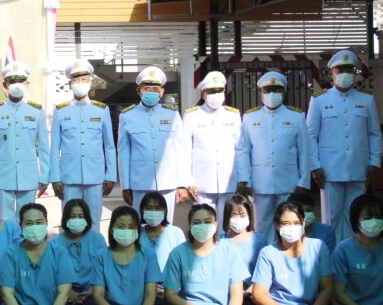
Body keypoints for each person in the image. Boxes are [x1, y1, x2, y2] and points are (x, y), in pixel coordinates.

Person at [244, 202, 341, 305]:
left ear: (304, 223)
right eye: (285, 223)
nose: (291, 227)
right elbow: (259, 295)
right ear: (277, 225)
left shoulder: (318, 247)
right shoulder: (268, 253)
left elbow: (327, 288)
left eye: (296, 223)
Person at [308, 50, 382, 244]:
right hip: (329, 170)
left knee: (355, 215)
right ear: (331, 73)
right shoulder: (319, 100)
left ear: (354, 72)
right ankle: (331, 256)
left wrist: (374, 161)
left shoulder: (366, 99)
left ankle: (350, 254)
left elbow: (374, 133)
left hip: (359, 168)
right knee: (331, 217)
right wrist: (314, 166)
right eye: (340, 70)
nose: (345, 74)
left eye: (349, 70)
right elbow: (310, 136)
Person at [155, 203, 248, 305]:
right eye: (197, 222)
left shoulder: (229, 250)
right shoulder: (178, 253)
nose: (202, 226)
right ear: (190, 225)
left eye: (207, 222)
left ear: (216, 224)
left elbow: (237, 293)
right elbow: (170, 295)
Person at [236, 71, 312, 240]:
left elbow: (305, 151)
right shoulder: (250, 117)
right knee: (262, 226)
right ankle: (264, 254)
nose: (272, 94)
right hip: (260, 183)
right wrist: (244, 180)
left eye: (276, 90)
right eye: (268, 90)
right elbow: (243, 151)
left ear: (284, 92)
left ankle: (286, 253)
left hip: (289, 183)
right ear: (261, 93)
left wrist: (304, 181)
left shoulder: (297, 116)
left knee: (288, 224)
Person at [77, 206, 160, 305]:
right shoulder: (102, 256)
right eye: (121, 226)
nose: (126, 231)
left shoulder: (147, 254)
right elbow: (98, 295)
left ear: (137, 230)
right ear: (112, 229)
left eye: (131, 227)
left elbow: (151, 294)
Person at [49, 59, 117, 226]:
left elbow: (109, 146)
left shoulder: (102, 110)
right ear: (69, 83)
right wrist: (55, 179)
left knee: (94, 222)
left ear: (90, 81)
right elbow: (54, 148)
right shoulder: (60, 110)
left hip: (95, 178)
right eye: (76, 79)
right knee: (70, 222)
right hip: (69, 178)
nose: (80, 83)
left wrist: (111, 176)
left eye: (84, 79)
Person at [0, 60, 50, 220]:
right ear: (5, 84)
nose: (16, 84)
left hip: (29, 176)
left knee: (28, 220)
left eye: (20, 80)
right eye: (12, 81)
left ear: (27, 83)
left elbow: (44, 147)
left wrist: (45, 175)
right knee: (4, 221)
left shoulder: (36, 111)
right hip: (3, 177)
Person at [117, 65, 189, 215]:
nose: (151, 92)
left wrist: (182, 184)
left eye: (155, 89)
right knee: (141, 223)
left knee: (166, 224)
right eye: (147, 89)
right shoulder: (127, 116)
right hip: (140, 184)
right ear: (139, 90)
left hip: (168, 183)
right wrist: (126, 186)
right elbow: (123, 153)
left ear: (162, 92)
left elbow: (181, 150)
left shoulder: (172, 114)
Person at [182, 70, 241, 219]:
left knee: (228, 224)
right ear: (203, 94)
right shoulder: (191, 116)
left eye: (219, 91)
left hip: (228, 181)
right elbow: (185, 151)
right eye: (211, 91)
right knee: (204, 222)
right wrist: (188, 181)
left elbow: (240, 149)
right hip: (201, 183)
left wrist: (242, 178)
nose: (216, 95)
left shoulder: (233, 115)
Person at [51, 200, 107, 305]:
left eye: (81, 216)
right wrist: (67, 292)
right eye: (72, 216)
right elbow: (50, 275)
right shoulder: (55, 243)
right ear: (65, 219)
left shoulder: (97, 239)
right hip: (64, 293)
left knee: (98, 302)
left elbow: (106, 269)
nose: (77, 220)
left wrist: (93, 291)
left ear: (87, 219)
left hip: (91, 292)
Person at [137, 191, 186, 305]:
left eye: (157, 208)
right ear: (142, 210)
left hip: (170, 293)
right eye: (149, 208)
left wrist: (170, 292)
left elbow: (184, 265)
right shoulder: (136, 234)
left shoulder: (175, 232)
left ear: (165, 210)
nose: (153, 212)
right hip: (141, 293)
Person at [221, 194, 266, 305]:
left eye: (242, 215)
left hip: (251, 295)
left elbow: (263, 273)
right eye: (233, 215)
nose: (238, 219)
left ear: (249, 216)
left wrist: (248, 292)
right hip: (226, 295)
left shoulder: (259, 240)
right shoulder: (220, 241)